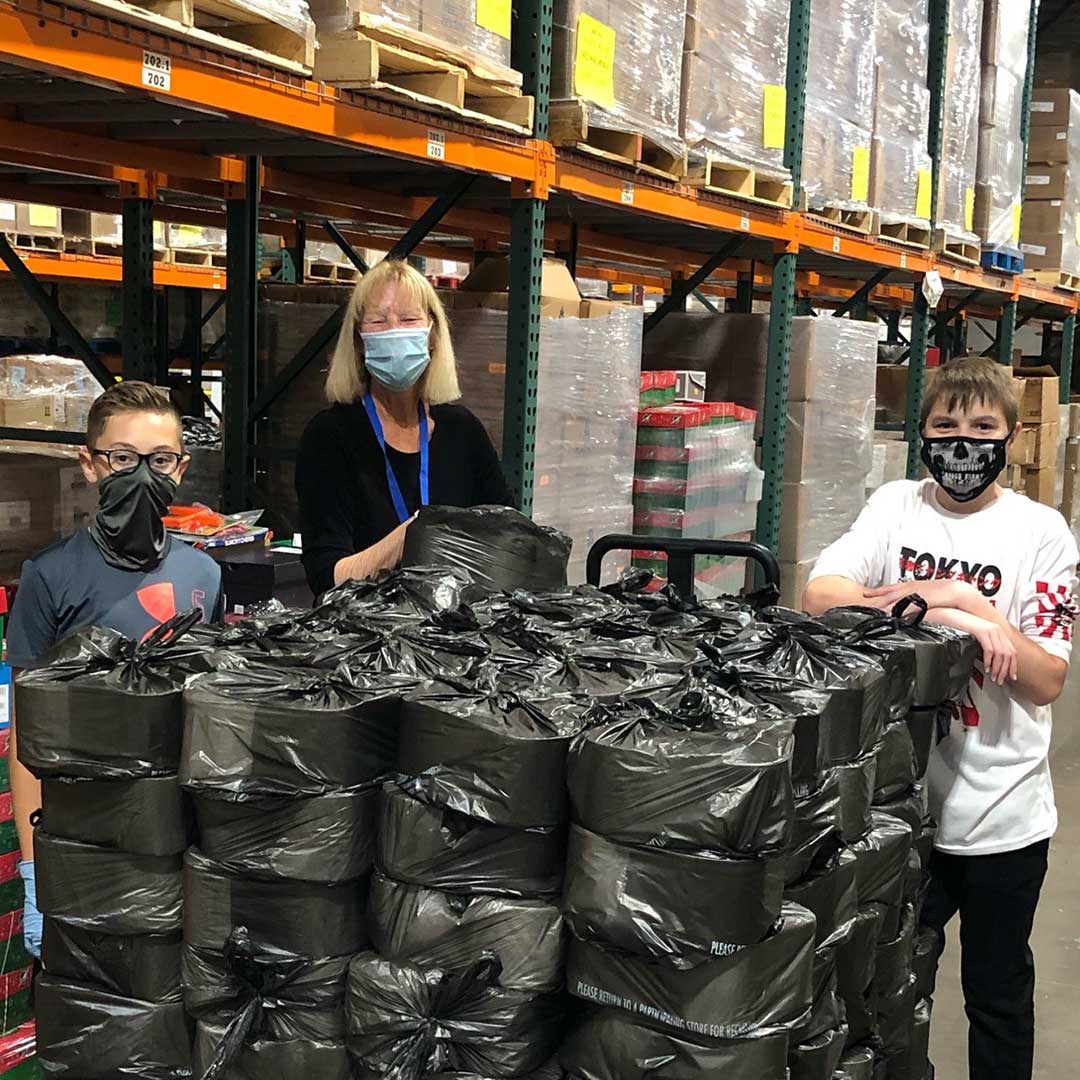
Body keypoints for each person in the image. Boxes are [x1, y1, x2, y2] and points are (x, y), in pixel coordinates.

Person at [803, 356, 1077, 1080]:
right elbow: (822, 595)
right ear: (920, 432)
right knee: (886, 990)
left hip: (1002, 816)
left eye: (982, 427)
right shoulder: (896, 506)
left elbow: (1046, 679)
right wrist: (949, 595)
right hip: (899, 809)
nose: (963, 443)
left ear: (1011, 438)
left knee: (996, 994)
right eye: (945, 425)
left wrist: (980, 610)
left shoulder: (1041, 532)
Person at [6, 380, 223, 958]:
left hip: (176, 837)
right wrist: (36, 870)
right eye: (124, 459)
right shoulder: (50, 577)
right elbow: (30, 736)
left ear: (181, 468)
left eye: (159, 461)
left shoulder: (204, 576)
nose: (142, 476)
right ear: (90, 463)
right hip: (87, 838)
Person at [296, 259, 511, 595]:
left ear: (433, 335)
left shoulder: (463, 432)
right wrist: (415, 536)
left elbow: (508, 542)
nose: (395, 330)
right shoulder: (330, 436)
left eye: (409, 319)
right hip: (364, 637)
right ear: (358, 340)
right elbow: (326, 578)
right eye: (379, 321)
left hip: (453, 633)